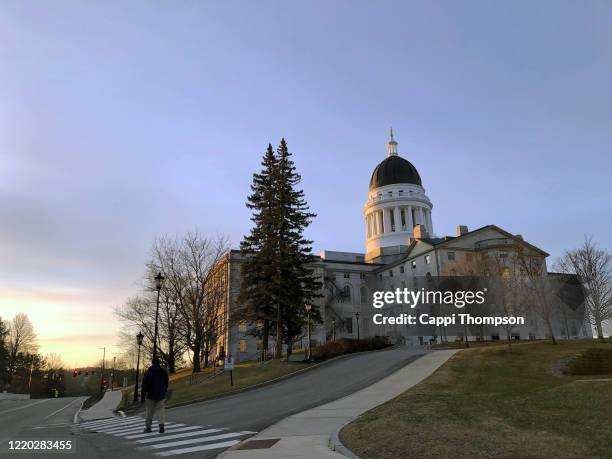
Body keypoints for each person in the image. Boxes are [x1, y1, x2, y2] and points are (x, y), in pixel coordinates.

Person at [140, 356, 169, 433]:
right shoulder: (164, 371)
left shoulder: (148, 372)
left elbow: (144, 385)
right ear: (159, 363)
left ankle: (148, 427)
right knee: (160, 410)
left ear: (152, 363)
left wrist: (142, 396)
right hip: (161, 393)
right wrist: (165, 390)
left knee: (149, 412)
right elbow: (166, 382)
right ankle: (161, 425)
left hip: (150, 394)